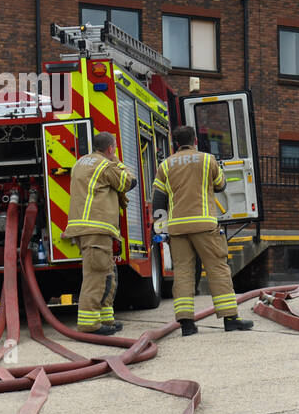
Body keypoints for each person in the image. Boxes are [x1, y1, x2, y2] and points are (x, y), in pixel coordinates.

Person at [152, 125, 252, 336]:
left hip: (177, 228)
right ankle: (230, 319)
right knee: (217, 268)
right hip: (204, 225)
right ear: (195, 140)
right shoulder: (207, 160)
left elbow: (159, 198)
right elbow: (221, 185)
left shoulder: (165, 165)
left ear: (176, 143)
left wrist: (161, 228)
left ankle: (187, 325)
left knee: (183, 273)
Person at [62, 131, 136, 335]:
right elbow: (128, 182)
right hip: (96, 228)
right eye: (114, 149)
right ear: (111, 148)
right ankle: (89, 323)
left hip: (86, 228)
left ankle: (105, 318)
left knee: (106, 272)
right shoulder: (105, 165)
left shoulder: (80, 162)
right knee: (96, 275)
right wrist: (118, 163)